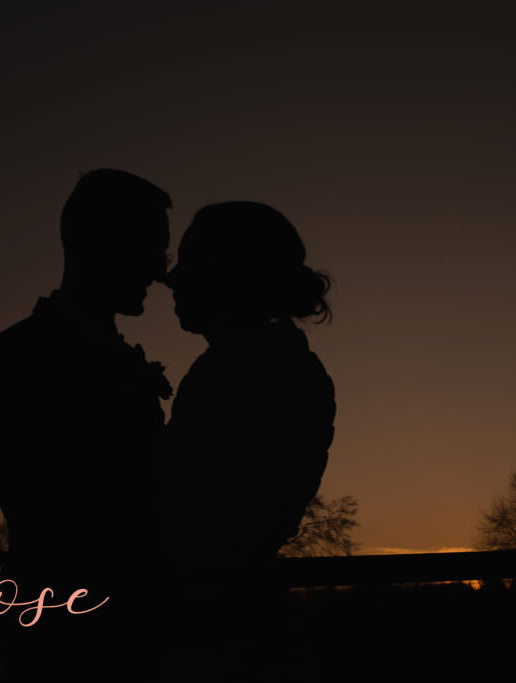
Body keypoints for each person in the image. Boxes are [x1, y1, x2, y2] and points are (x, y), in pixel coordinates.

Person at [0, 169, 172, 681]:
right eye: (151, 248)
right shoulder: (13, 357)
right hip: (67, 634)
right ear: (99, 244)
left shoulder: (116, 360)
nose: (161, 270)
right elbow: (43, 510)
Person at [162, 201, 336, 682]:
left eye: (190, 263)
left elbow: (198, 515)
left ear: (230, 275)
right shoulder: (274, 366)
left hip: (217, 634)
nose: (171, 279)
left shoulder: (244, 373)